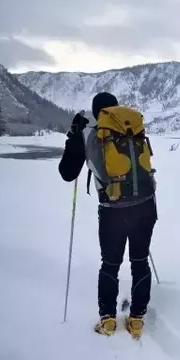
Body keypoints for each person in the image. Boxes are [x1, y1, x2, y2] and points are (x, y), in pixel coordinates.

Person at [58, 92, 157, 338]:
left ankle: (109, 321)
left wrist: (73, 138)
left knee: (110, 265)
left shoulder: (88, 130)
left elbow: (68, 173)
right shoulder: (131, 126)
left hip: (113, 211)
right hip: (145, 205)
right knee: (140, 261)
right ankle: (136, 321)